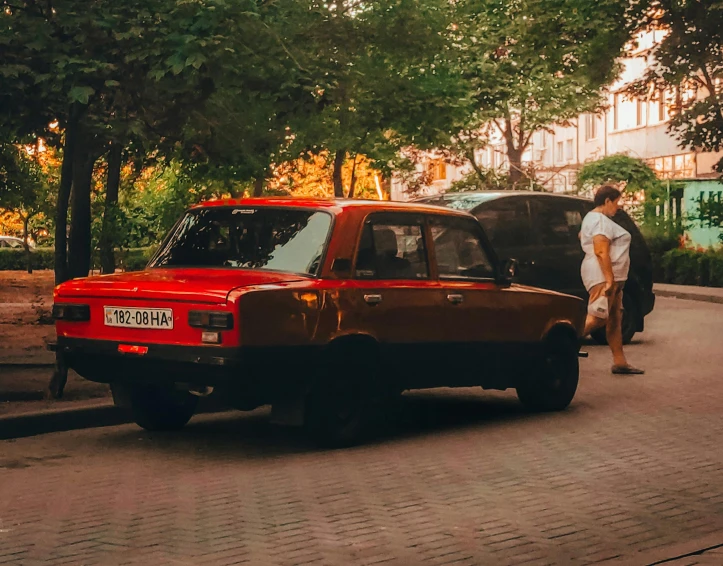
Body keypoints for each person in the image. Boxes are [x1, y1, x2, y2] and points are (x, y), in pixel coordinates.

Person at [581, 185, 644, 375]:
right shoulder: (600, 221)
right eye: (617, 202)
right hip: (602, 275)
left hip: (611, 276)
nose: (618, 207)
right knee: (598, 317)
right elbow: (601, 250)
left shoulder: (594, 219)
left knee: (615, 319)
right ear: (607, 201)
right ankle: (559, 344)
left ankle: (620, 362)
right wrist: (609, 280)